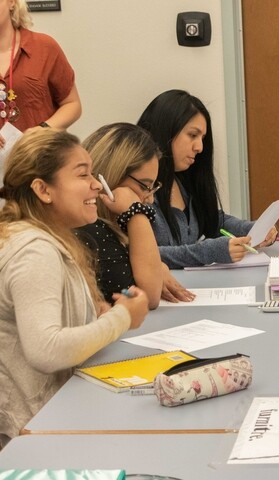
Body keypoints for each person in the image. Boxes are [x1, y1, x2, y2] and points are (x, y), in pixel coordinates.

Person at [0, 129, 148, 446]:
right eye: (82, 174)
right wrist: (122, 317)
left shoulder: (45, 238)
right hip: (28, 436)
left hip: (49, 417)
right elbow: (47, 350)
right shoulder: (33, 250)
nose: (97, 184)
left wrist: (96, 316)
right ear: (43, 189)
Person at [137, 90, 277, 269]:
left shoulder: (181, 181)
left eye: (202, 139)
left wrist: (252, 229)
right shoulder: (136, 189)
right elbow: (142, 254)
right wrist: (208, 251)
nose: (200, 147)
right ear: (166, 130)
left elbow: (212, 220)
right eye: (192, 135)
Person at [76, 123, 195, 308]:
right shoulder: (92, 230)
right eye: (144, 186)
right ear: (110, 176)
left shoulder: (109, 227)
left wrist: (159, 267)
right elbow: (148, 297)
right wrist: (136, 212)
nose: (149, 198)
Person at [0, 0, 81, 144]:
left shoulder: (44, 47)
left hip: (42, 159)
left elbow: (72, 105)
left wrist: (41, 131)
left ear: (11, 2)